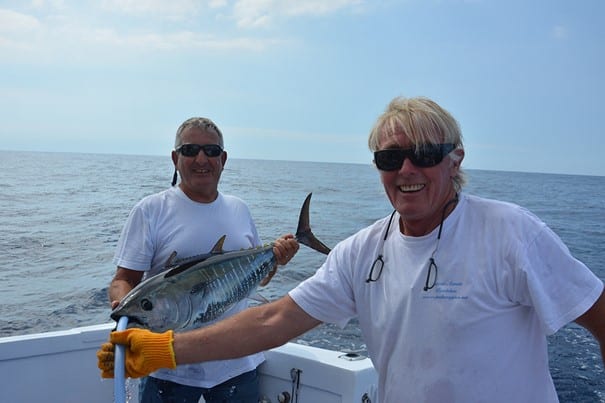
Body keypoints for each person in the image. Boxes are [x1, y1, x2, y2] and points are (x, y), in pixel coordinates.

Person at [99, 97, 605, 402]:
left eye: (424, 154)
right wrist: (165, 348)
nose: (406, 170)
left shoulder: (510, 232)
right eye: (390, 157)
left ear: (455, 160)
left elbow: (599, 316)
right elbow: (273, 321)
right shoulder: (362, 251)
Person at [107, 116, 299, 403]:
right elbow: (124, 279)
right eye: (190, 150)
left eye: (210, 152)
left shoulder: (239, 209)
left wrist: (277, 259)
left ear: (223, 159)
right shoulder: (151, 210)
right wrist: (125, 311)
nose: (201, 159)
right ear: (175, 158)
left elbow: (256, 281)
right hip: (168, 373)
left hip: (237, 365)